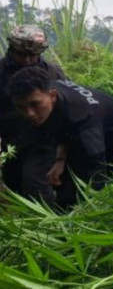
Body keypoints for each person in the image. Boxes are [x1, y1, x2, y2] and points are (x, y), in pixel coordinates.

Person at [6, 66, 113, 209]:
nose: (30, 113)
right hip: (77, 135)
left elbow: (94, 169)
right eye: (21, 107)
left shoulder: (81, 115)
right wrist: (60, 159)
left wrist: (89, 207)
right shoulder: (45, 94)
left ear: (53, 96)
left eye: (35, 105)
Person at [0, 25, 66, 203]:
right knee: (13, 187)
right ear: (12, 49)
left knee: (35, 184)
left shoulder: (52, 73)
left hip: (42, 140)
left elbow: (66, 106)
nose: (28, 60)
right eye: (22, 55)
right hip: (9, 141)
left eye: (33, 55)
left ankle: (49, 224)